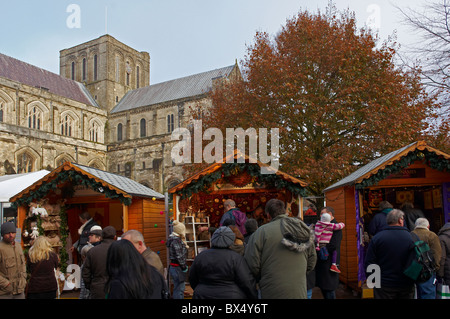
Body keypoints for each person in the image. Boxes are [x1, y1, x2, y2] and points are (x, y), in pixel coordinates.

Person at [244, 199, 316, 298]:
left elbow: (252, 264)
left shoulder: (260, 233)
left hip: (271, 290)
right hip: (298, 289)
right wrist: (299, 273)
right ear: (284, 211)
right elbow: (312, 259)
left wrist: (264, 276)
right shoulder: (301, 228)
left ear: (268, 215)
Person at [189, 226, 257, 299]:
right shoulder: (235, 258)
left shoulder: (201, 256)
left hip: (202, 295)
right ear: (231, 240)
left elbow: (192, 278)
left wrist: (201, 289)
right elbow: (246, 281)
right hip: (231, 295)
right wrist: (253, 295)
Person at [364, 209, 416, 299]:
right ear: (400, 220)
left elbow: (370, 262)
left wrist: (374, 282)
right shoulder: (412, 238)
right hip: (406, 283)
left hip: (384, 284)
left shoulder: (377, 238)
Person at [315, 206, 343, 299]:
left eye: (322, 213)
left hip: (329, 262)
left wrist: (322, 248)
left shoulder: (335, 227)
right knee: (325, 288)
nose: (320, 215)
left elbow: (334, 245)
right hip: (325, 263)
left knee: (329, 289)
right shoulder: (324, 224)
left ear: (330, 214)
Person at [82, 225, 116, 299]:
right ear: (115, 237)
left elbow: (85, 272)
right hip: (116, 287)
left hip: (98, 287)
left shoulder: (92, 251)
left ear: (102, 236)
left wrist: (90, 285)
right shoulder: (120, 250)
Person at [411, 218, 441, 299]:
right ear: (428, 226)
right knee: (428, 294)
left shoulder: (410, 235)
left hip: (412, 270)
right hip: (427, 271)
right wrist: (436, 268)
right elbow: (436, 254)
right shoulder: (432, 235)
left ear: (415, 226)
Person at [0, 222, 27, 299]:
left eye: (13, 232)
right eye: (8, 233)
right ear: (2, 234)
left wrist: (24, 278)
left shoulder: (18, 246)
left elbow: (23, 264)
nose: (11, 235)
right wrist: (6, 284)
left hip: (19, 290)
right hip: (5, 292)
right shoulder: (1, 248)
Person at [166, 220, 188, 299]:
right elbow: (179, 256)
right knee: (179, 289)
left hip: (174, 267)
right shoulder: (176, 241)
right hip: (177, 267)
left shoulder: (173, 240)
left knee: (177, 287)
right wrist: (184, 266)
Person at [79, 225, 102, 299]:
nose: (89, 237)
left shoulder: (93, 251)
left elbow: (85, 280)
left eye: (92, 235)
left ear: (99, 237)